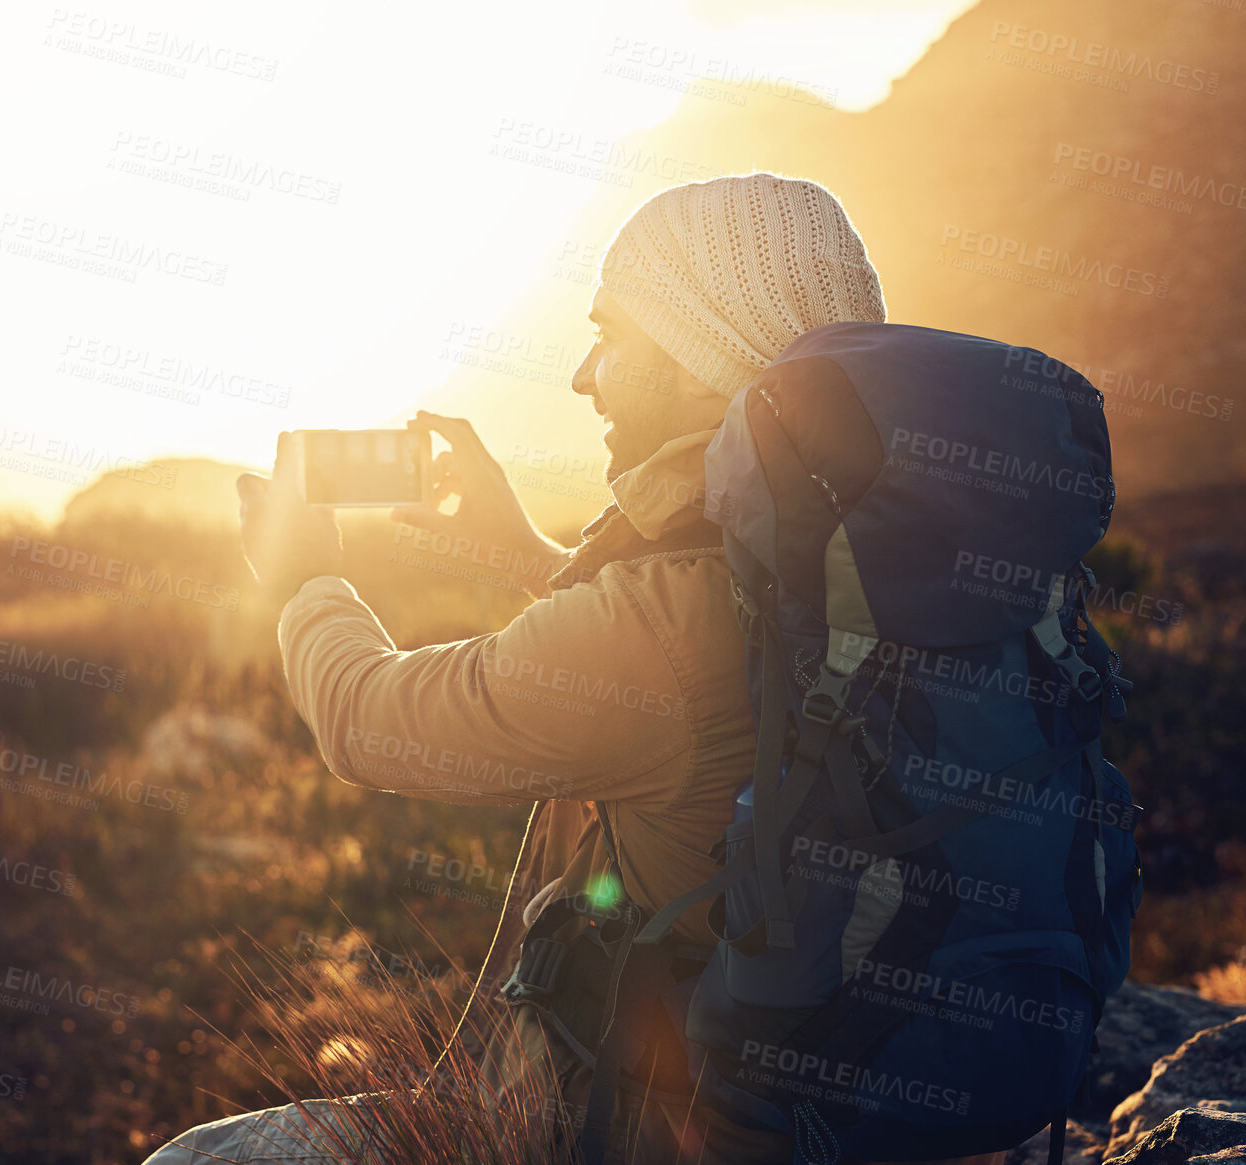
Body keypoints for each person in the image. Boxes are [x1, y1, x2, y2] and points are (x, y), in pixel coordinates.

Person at [143, 173, 1009, 1165]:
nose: (582, 377)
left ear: (696, 359)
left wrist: (304, 579)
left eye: (610, 335)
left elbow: (367, 719)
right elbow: (680, 691)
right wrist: (521, 552)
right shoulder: (860, 564)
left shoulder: (667, 614)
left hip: (635, 1131)